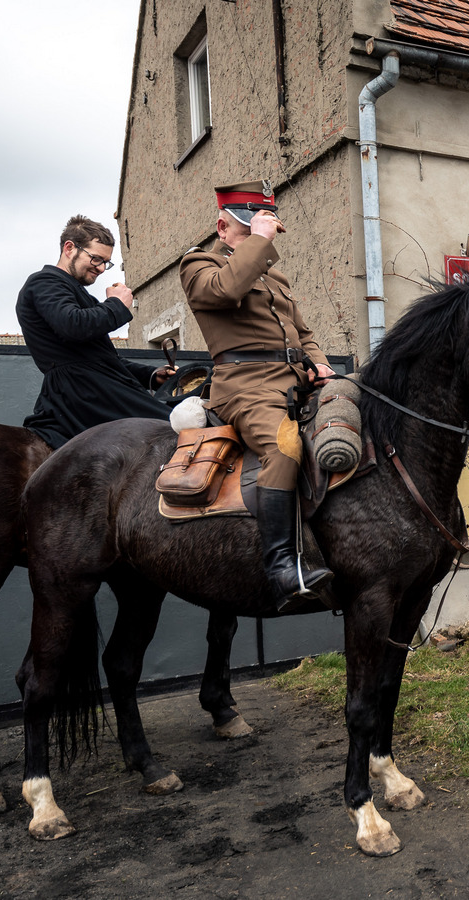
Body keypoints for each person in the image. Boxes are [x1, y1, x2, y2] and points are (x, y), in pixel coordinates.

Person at [179, 182, 335, 609]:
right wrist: (260, 240)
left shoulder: (274, 276)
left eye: (262, 231)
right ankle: (283, 566)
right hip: (245, 387)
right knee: (284, 448)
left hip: (294, 381)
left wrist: (319, 362)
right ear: (223, 227)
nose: (259, 239)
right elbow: (226, 290)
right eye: (248, 230)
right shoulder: (197, 265)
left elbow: (303, 332)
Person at [17, 216, 176, 449]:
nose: (101, 268)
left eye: (106, 262)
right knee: (175, 428)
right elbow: (73, 326)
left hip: (94, 386)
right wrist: (116, 305)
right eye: (96, 258)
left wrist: (151, 375)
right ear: (69, 248)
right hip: (84, 392)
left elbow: (103, 359)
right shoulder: (44, 282)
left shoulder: (75, 291)